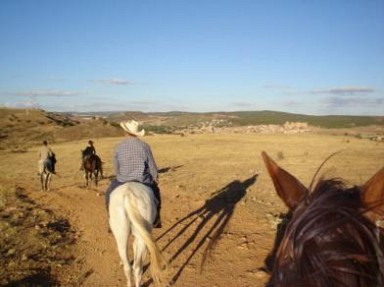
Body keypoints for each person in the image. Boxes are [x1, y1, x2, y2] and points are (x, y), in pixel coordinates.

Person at [105, 120, 162, 228]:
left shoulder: (119, 146)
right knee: (156, 193)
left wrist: (119, 175)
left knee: (109, 194)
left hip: (122, 180)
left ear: (126, 132)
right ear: (137, 133)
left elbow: (116, 168)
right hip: (143, 180)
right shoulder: (145, 146)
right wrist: (155, 177)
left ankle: (111, 218)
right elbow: (152, 166)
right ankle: (156, 219)